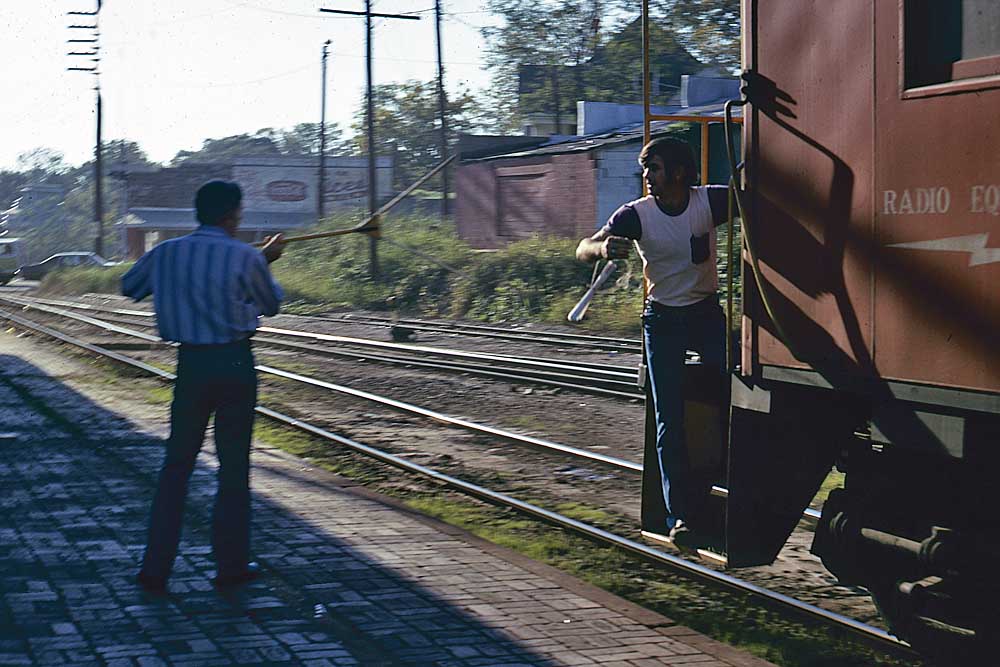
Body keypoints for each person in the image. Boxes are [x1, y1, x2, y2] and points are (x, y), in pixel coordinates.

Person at [123, 180, 286, 593]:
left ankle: (155, 568)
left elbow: (130, 288)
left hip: (191, 365)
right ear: (232, 214)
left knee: (176, 467)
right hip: (234, 364)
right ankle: (230, 567)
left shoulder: (167, 252)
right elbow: (270, 305)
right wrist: (265, 260)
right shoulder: (245, 256)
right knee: (233, 470)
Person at [576, 136, 729, 545]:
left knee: (735, 391)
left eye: (654, 168)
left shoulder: (709, 202)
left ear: (679, 172)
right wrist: (602, 248)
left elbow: (760, 202)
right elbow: (582, 248)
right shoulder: (636, 215)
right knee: (669, 419)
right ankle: (681, 517)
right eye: (645, 169)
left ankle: (727, 483)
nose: (647, 177)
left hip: (705, 314)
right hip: (662, 321)